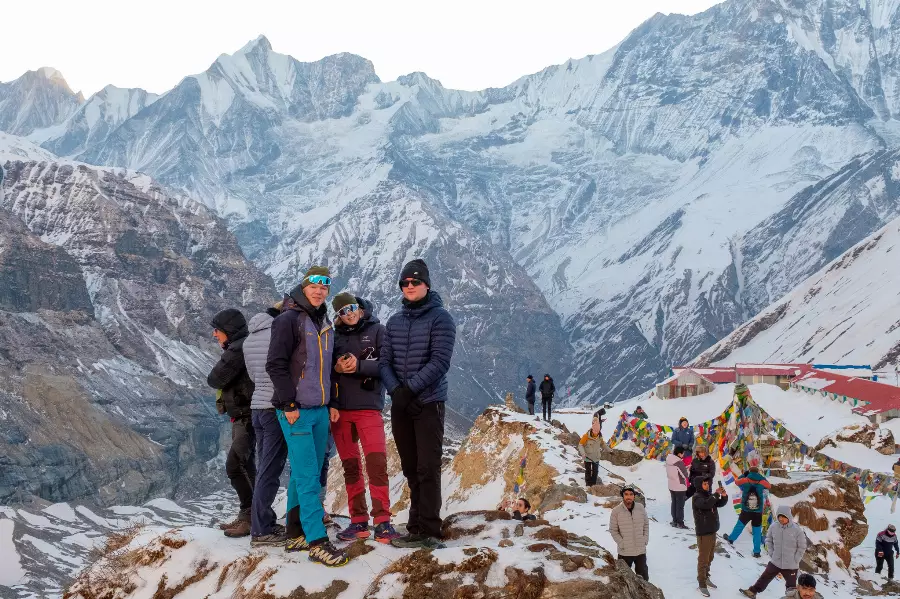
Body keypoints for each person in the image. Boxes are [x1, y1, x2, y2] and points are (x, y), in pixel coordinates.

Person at [266, 266, 348, 567]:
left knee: (304, 476)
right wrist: (288, 404)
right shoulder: (288, 320)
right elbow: (275, 364)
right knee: (308, 476)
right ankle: (317, 542)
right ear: (304, 287)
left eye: (324, 287)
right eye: (314, 286)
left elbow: (326, 370)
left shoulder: (323, 321)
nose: (319, 291)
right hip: (296, 411)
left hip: (320, 410)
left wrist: (332, 402)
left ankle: (295, 533)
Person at [380, 259, 456, 549]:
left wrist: (409, 390)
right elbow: (384, 362)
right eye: (405, 283)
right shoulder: (394, 322)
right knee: (411, 468)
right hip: (401, 404)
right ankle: (415, 526)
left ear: (427, 285)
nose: (410, 286)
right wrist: (396, 392)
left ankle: (429, 530)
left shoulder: (441, 319)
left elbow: (440, 362)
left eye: (415, 282)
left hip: (428, 402)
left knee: (428, 467)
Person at [328, 293, 401, 544]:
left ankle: (383, 522)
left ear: (359, 308)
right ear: (338, 316)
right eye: (342, 312)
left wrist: (358, 366)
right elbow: (327, 374)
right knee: (351, 467)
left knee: (376, 464)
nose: (348, 314)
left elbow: (388, 365)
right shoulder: (335, 337)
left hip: (369, 408)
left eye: (351, 308)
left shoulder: (378, 331)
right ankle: (358, 521)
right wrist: (336, 370)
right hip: (341, 412)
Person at [207, 308, 256, 538]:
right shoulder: (241, 346)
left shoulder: (237, 349)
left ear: (229, 329)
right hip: (245, 415)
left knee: (235, 466)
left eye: (217, 330)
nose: (214, 334)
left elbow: (214, 378)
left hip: (247, 416)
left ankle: (250, 516)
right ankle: (251, 515)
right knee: (247, 465)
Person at [243, 303, 289, 546]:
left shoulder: (249, 339)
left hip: (257, 408)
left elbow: (253, 376)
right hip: (274, 407)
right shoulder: (279, 334)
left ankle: (264, 522)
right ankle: (261, 530)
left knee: (264, 467)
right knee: (270, 470)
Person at [740, 505, 808, 598]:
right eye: (779, 516)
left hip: (791, 565)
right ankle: (752, 592)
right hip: (776, 561)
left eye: (784, 517)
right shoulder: (774, 526)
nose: (781, 519)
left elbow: (802, 546)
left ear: (789, 516)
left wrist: (796, 560)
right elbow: (768, 540)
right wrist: (772, 553)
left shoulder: (797, 530)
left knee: (791, 587)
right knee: (764, 577)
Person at [724, 456, 771, 558]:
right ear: (758, 472)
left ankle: (731, 539)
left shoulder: (745, 480)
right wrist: (761, 477)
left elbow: (736, 481)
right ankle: (757, 552)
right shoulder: (761, 482)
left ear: (749, 472)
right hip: (758, 511)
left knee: (740, 525)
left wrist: (744, 475)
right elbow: (769, 486)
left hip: (746, 509)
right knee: (757, 531)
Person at [693, 475, 728, 596]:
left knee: (710, 557)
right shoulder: (697, 497)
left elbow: (719, 503)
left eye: (707, 483)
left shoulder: (708, 495)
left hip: (712, 531)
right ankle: (701, 583)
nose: (707, 485)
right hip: (704, 533)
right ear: (699, 485)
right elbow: (706, 505)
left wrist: (724, 496)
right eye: (704, 484)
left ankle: (706, 576)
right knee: (703, 559)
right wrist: (716, 494)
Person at [608, 484, 650, 581]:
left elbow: (646, 525)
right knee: (623, 579)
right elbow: (613, 530)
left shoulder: (640, 508)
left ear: (634, 496)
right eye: (626, 494)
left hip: (640, 551)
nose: (629, 497)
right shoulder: (616, 511)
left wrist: (645, 539)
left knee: (644, 578)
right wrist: (622, 543)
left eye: (631, 494)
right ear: (623, 496)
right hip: (625, 552)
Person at [665, 446, 689, 529]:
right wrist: (688, 469)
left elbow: (676, 471)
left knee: (674, 503)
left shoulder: (669, 459)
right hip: (679, 486)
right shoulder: (679, 462)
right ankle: (680, 523)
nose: (683, 455)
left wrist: (684, 468)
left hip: (671, 485)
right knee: (680, 505)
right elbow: (685, 475)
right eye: (683, 453)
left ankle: (674, 521)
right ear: (679, 454)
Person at [578, 414, 605, 487]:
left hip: (596, 457)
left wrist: (610, 450)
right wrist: (583, 453)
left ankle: (593, 485)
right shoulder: (586, 436)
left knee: (595, 471)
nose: (596, 432)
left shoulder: (600, 436)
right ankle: (588, 484)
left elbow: (603, 444)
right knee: (588, 470)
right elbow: (580, 445)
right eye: (595, 431)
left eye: (597, 431)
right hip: (587, 456)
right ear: (592, 429)